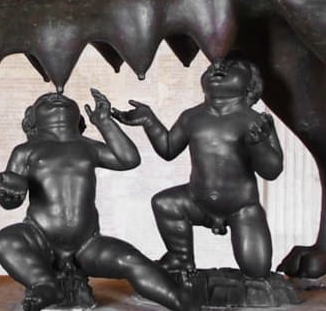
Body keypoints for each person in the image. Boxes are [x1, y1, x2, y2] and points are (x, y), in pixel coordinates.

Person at [0, 90, 197, 311]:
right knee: (3, 242)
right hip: (39, 236)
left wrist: (105, 122)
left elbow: (128, 159)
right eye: (45, 101)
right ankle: (44, 284)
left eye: (66, 100)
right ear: (32, 118)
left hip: (88, 243)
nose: (56, 98)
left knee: (131, 260)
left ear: (78, 117)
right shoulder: (25, 150)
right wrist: (10, 191)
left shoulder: (88, 146)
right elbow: (10, 199)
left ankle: (181, 302)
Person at [113, 56, 283, 278]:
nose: (218, 67)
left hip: (242, 207)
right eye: (213, 66)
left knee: (257, 270)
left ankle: (248, 268)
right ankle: (180, 257)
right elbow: (168, 149)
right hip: (196, 200)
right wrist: (149, 120)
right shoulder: (191, 117)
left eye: (232, 66)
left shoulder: (256, 122)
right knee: (165, 203)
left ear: (251, 85)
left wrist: (259, 144)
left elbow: (272, 171)